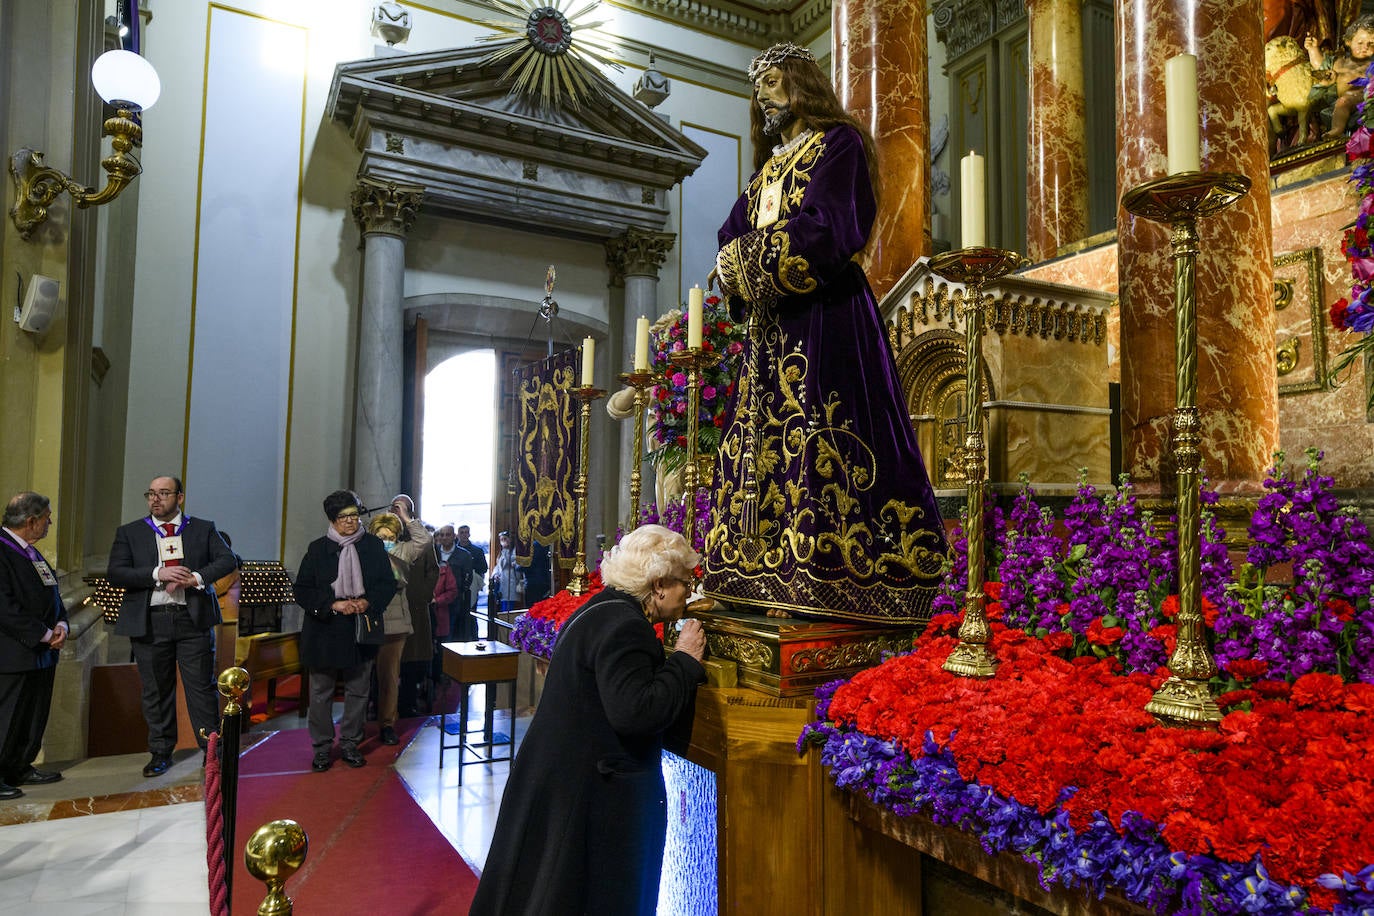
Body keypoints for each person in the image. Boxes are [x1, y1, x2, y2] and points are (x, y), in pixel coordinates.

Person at [702, 42, 949, 626]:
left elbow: (826, 232)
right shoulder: (767, 173)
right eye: (756, 83)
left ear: (802, 83)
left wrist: (738, 265)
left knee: (825, 433)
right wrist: (735, 262)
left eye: (773, 79)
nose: (761, 92)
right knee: (763, 445)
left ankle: (840, 571)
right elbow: (725, 234)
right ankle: (762, 568)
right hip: (771, 332)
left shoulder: (837, 146)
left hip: (826, 319)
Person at [470, 524, 706, 915]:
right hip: (593, 794)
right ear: (660, 584)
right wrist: (683, 660)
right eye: (685, 582)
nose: (689, 593)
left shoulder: (600, 609)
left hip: (562, 779)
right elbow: (637, 712)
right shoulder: (628, 627)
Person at [108, 476, 236, 777]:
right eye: (150, 493)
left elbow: (227, 559)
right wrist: (157, 573)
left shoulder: (202, 528)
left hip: (191, 619)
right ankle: (161, 753)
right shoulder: (131, 532)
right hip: (150, 621)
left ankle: (212, 751)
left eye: (163, 493)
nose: (155, 499)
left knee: (201, 689)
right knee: (155, 691)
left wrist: (197, 578)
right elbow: (116, 572)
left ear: (179, 497)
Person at [293, 490, 397, 771]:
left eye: (354, 516)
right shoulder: (317, 548)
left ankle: (351, 743)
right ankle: (322, 748)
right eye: (343, 518)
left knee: (359, 689)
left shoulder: (373, 546)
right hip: (325, 627)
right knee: (321, 692)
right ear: (332, 519)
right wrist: (334, 605)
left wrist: (368, 601)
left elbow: (388, 583)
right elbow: (302, 590)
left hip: (361, 626)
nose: (350, 522)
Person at [0, 493, 67, 798]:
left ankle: (19, 766)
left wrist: (62, 625)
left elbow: (52, 594)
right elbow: (4, 607)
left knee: (32, 713)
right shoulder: (3, 551)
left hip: (40, 652)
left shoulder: (32, 552)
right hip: (13, 651)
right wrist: (44, 633)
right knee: (7, 716)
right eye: (47, 518)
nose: (50, 522)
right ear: (30, 521)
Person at [366, 503, 432, 745]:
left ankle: (387, 724)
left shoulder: (402, 552)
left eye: (391, 537)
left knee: (389, 677)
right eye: (381, 537)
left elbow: (423, 540)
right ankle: (357, 726)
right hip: (366, 620)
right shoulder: (365, 553)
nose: (386, 541)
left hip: (394, 624)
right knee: (361, 678)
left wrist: (405, 517)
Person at [391, 496, 438, 718]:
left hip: (416, 607)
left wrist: (422, 596)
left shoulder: (420, 540)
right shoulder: (387, 535)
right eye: (395, 508)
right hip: (390, 608)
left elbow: (433, 570)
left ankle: (407, 703)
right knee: (389, 660)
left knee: (412, 662)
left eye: (403, 509)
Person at [1306, 15, 1374, 136]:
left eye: (1371, 44)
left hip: (1366, 99)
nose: (1365, 47)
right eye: (1360, 43)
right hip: (1345, 101)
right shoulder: (1339, 62)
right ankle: (1337, 129)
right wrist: (1313, 49)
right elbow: (1320, 64)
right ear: (1349, 41)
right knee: (1343, 101)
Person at [434, 524, 474, 640]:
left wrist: (457, 592)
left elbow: (468, 578)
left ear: (454, 536)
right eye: (442, 535)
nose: (444, 537)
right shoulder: (433, 552)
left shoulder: (464, 555)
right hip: (434, 600)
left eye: (448, 535)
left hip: (454, 602)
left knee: (450, 634)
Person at [456, 524, 488, 631]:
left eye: (466, 532)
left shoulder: (477, 551)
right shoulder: (453, 550)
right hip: (455, 585)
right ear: (458, 534)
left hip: (471, 584)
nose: (464, 535)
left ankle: (472, 635)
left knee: (472, 612)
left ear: (469, 534)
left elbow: (483, 568)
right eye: (462, 532)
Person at [489, 530, 522, 613]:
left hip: (511, 583)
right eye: (501, 540)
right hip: (501, 583)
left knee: (508, 608)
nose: (503, 542)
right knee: (501, 606)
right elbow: (498, 566)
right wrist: (495, 575)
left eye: (505, 539)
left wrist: (506, 551)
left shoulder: (515, 551)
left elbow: (510, 562)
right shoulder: (502, 552)